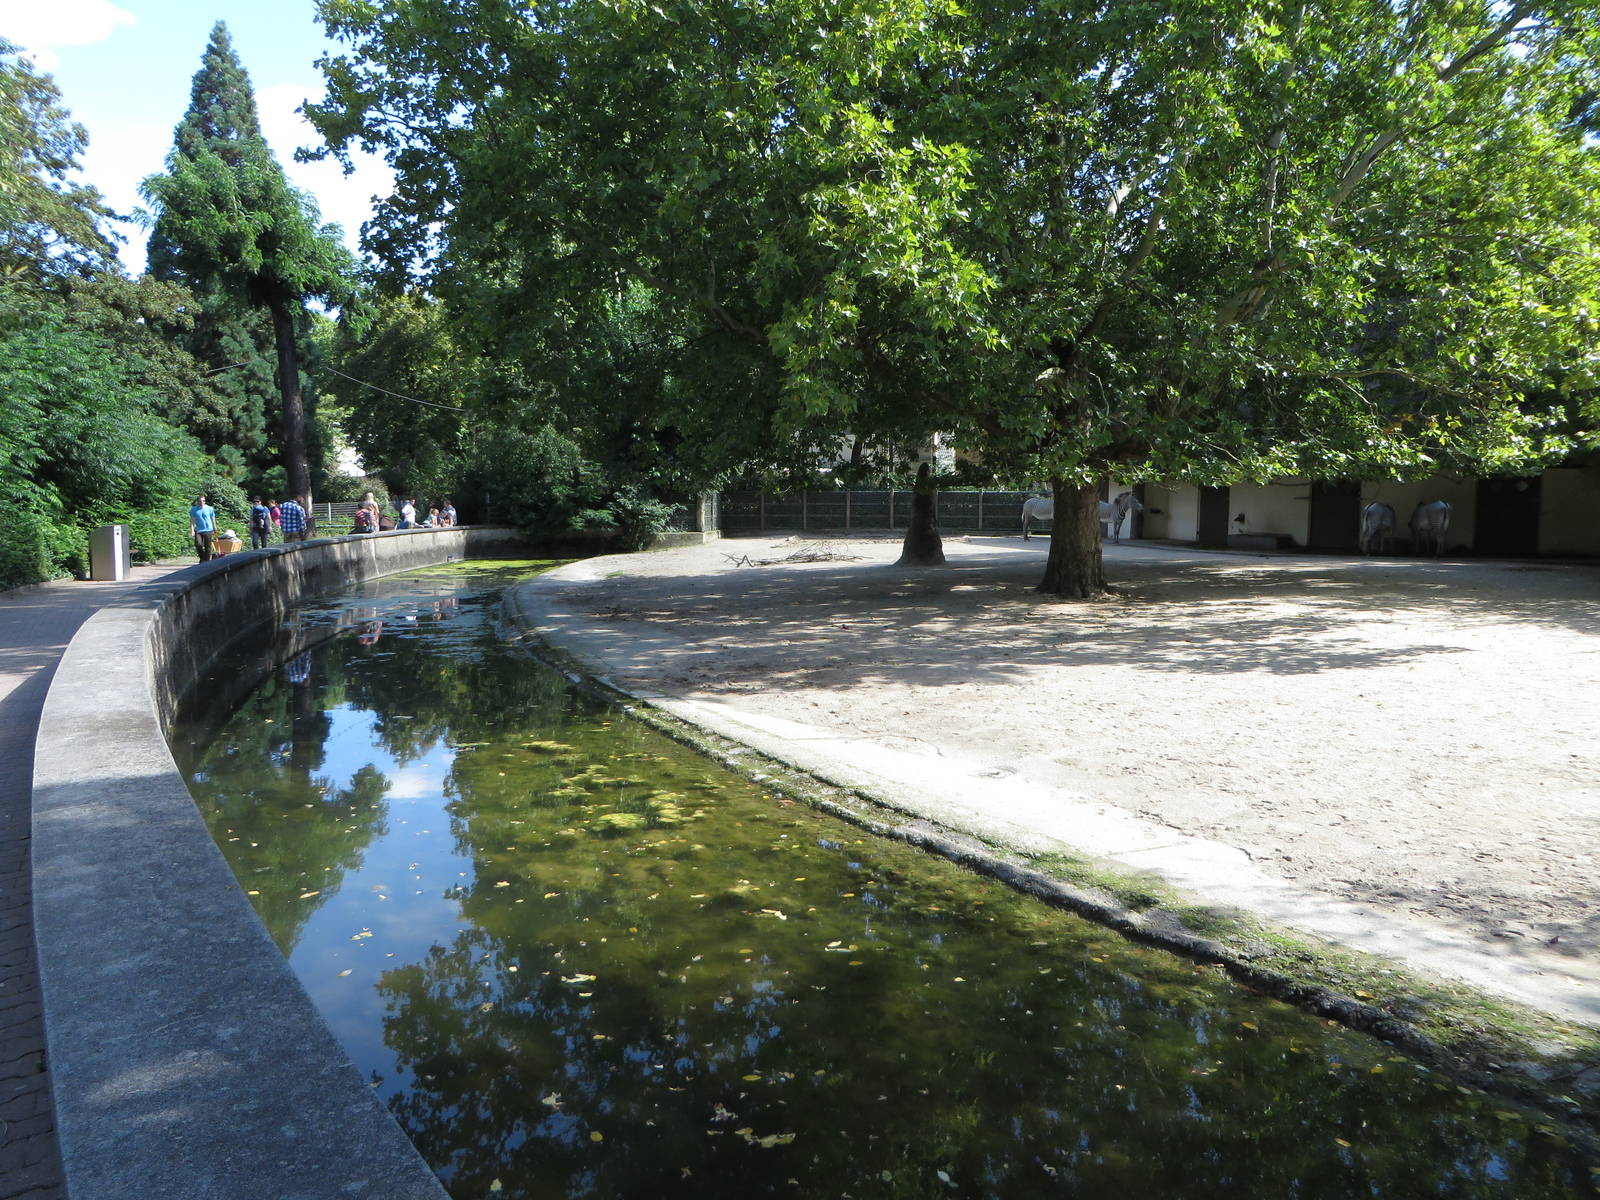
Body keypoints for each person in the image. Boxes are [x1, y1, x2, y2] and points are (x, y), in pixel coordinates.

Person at [189, 494, 216, 561]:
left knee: (208, 546)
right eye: (200, 501)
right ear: (197, 501)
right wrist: (192, 530)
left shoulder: (209, 508)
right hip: (198, 530)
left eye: (203, 501)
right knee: (198, 544)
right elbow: (192, 521)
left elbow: (212, 519)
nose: (202, 502)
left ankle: (206, 561)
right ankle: (202, 558)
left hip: (208, 529)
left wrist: (214, 528)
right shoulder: (194, 509)